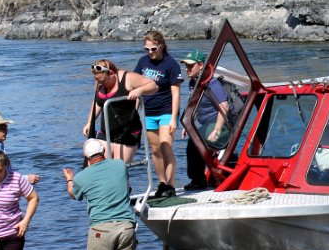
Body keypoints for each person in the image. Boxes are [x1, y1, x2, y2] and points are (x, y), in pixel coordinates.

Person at [134, 31, 183, 198]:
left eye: (153, 48)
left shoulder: (171, 64)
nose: (150, 52)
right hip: (148, 113)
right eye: (146, 49)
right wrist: (135, 111)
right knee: (155, 150)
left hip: (166, 112)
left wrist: (174, 119)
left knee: (165, 145)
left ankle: (171, 184)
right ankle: (162, 183)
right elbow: (136, 87)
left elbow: (176, 93)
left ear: (161, 46)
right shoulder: (143, 62)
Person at [83, 59, 157, 163]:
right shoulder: (100, 81)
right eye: (98, 81)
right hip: (106, 133)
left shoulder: (127, 78)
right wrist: (89, 122)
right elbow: (97, 103)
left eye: (103, 81)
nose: (101, 84)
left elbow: (153, 86)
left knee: (118, 170)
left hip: (127, 134)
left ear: (111, 73)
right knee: (97, 166)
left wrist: (138, 90)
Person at [178, 50, 230, 191]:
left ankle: (198, 180)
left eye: (191, 66)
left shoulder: (212, 83)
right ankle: (197, 179)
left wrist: (217, 130)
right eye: (186, 66)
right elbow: (194, 105)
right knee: (192, 143)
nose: (187, 69)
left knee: (195, 142)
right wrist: (187, 124)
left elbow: (224, 107)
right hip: (205, 123)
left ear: (201, 65)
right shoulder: (193, 83)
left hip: (219, 124)